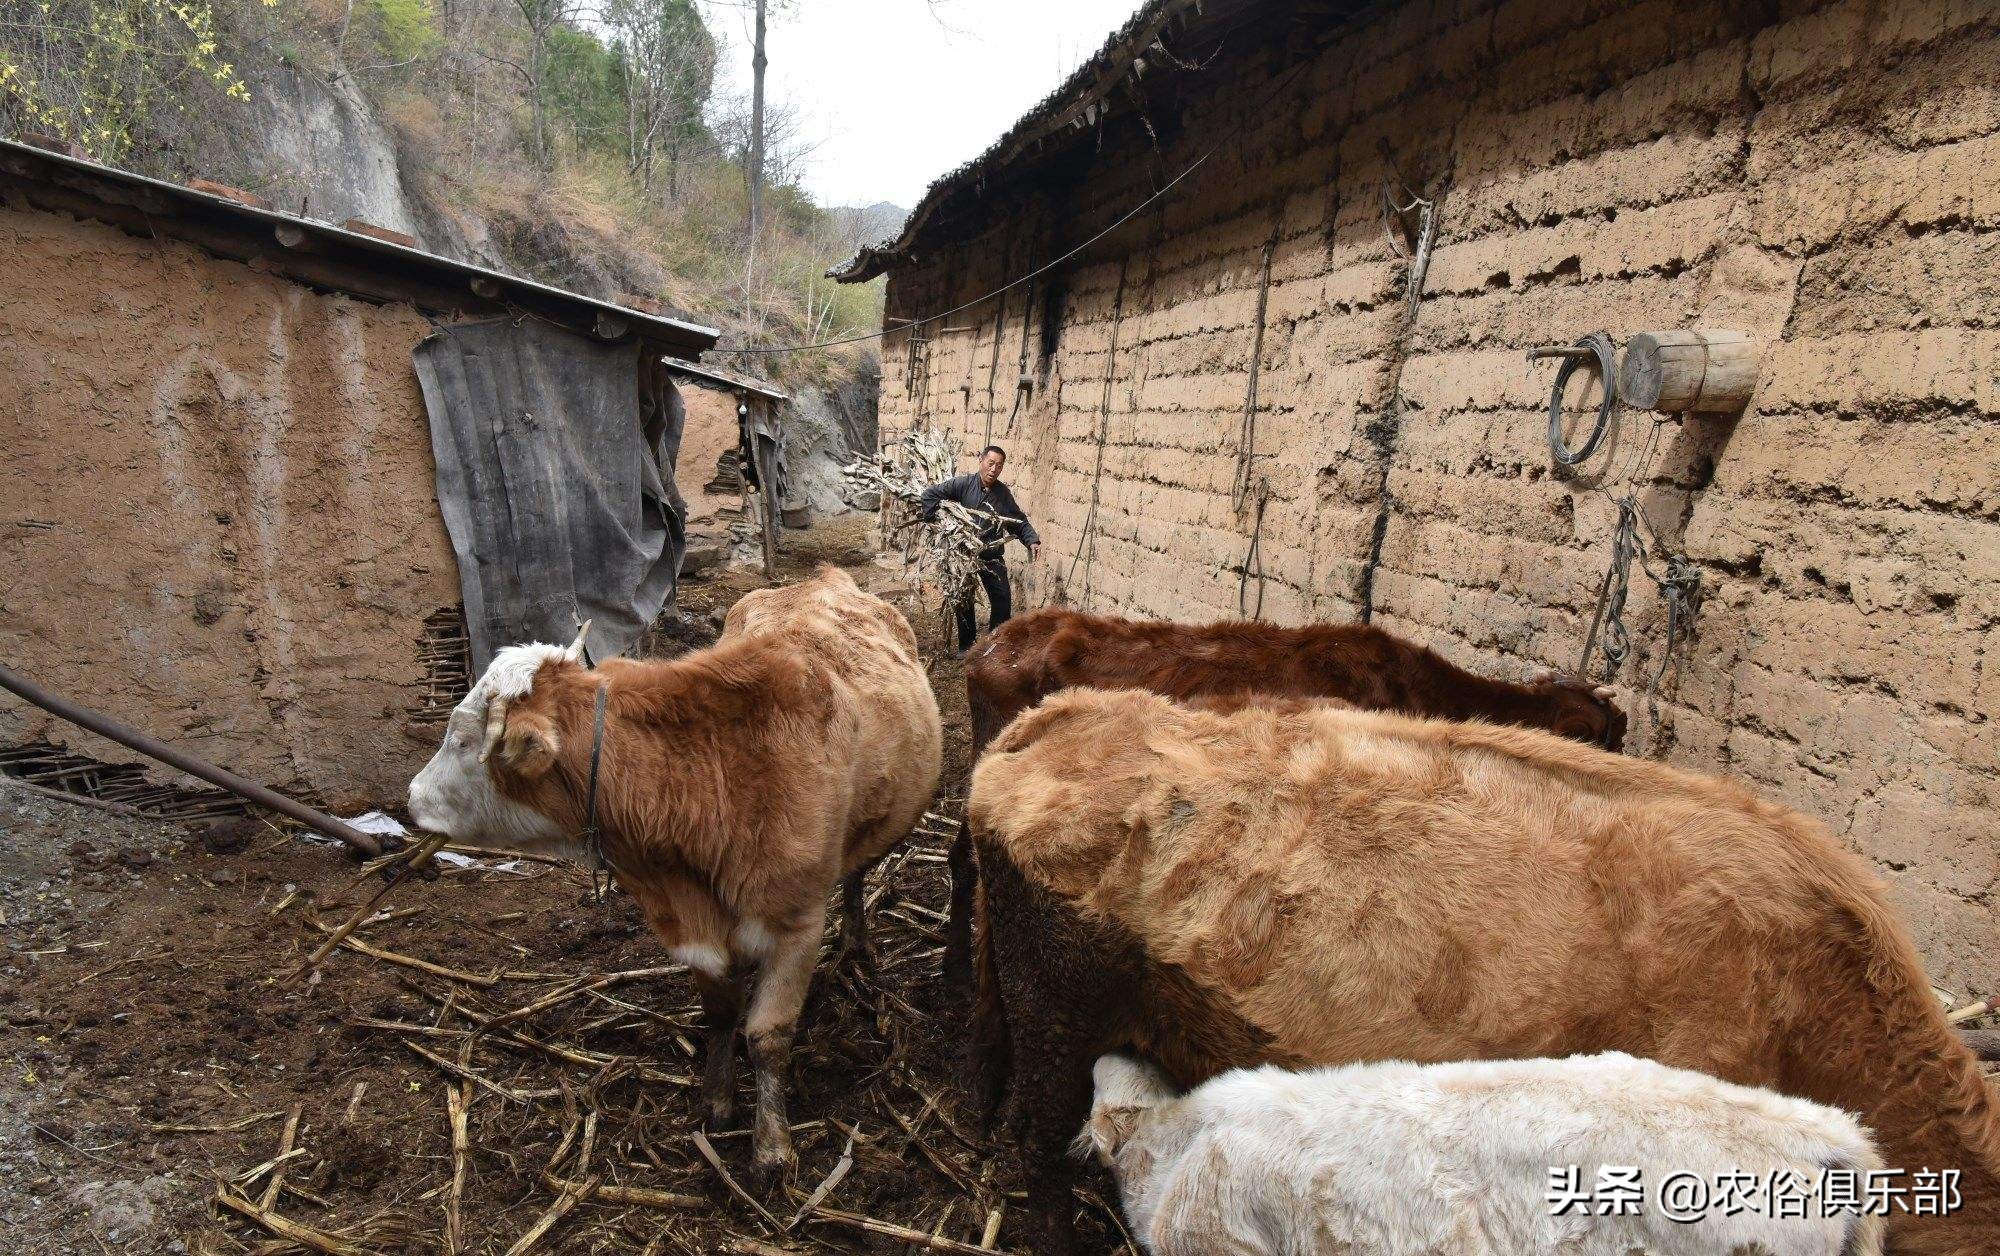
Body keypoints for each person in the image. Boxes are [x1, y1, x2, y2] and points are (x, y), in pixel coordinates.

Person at [919, 445, 1041, 654]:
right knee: (964, 599)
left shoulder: (1003, 494)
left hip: (991, 555)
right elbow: (930, 494)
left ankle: (996, 646)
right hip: (965, 556)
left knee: (1002, 599)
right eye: (991, 463)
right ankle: (967, 647)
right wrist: (933, 521)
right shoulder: (963, 484)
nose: (994, 469)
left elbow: (1017, 521)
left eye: (999, 466)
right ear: (981, 461)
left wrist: (1031, 539)